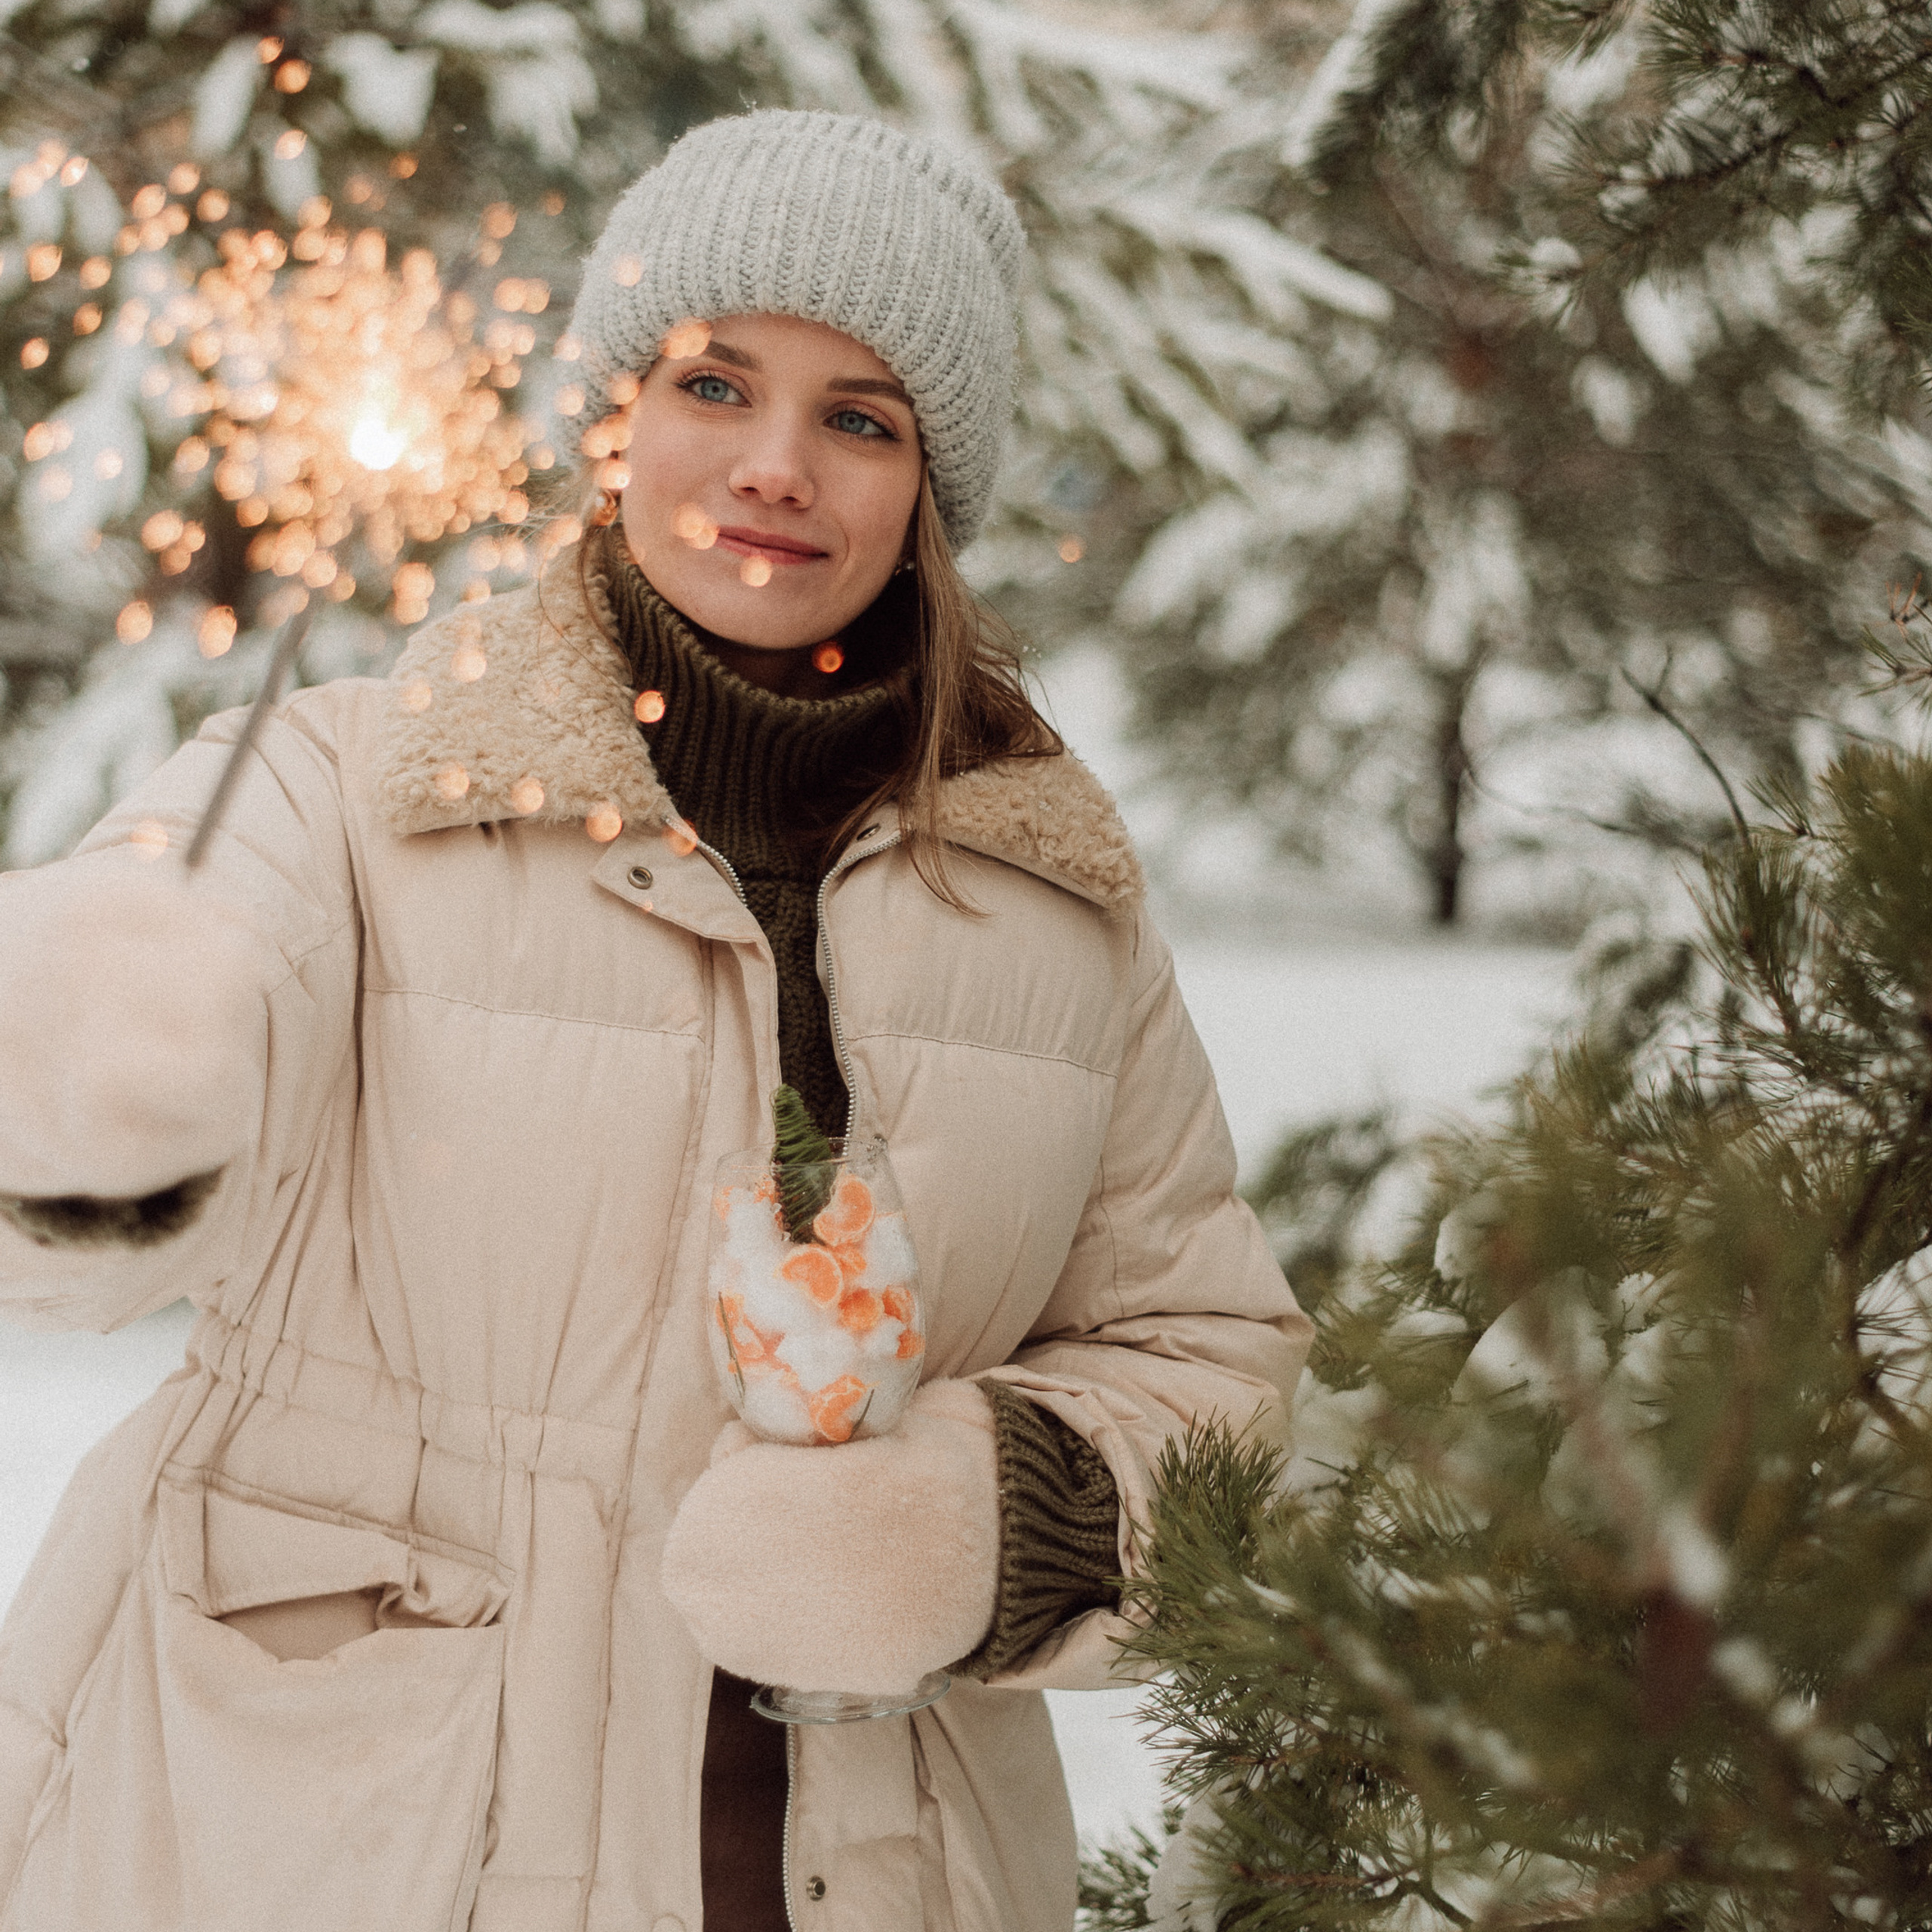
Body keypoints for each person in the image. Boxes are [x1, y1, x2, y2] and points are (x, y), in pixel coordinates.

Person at [0, 110, 1310, 1931]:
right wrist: (69, 1072)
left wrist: (981, 1525)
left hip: (871, 1856)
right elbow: (87, 1182)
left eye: (862, 418)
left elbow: (1210, 1375)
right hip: (325, 1835)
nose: (776, 463)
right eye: (716, 380)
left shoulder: (1048, 897)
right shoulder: (346, 788)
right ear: (615, 414)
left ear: (931, 491)